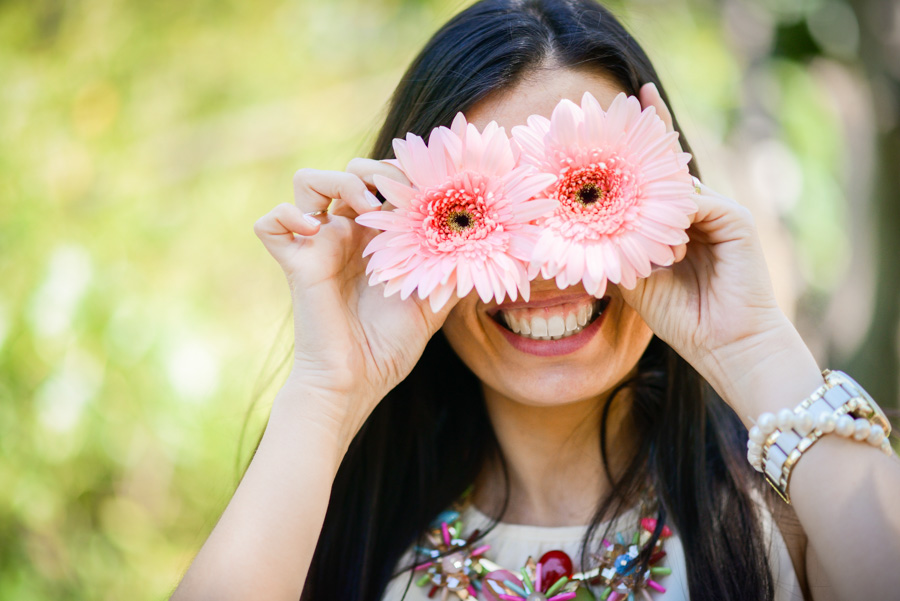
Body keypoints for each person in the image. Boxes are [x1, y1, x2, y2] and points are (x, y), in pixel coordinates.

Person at [170, 1, 900, 600]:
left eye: (585, 194)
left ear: (670, 202)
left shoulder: (796, 515)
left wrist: (756, 350)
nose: (542, 269)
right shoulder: (323, 531)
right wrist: (327, 391)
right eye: (478, 211)